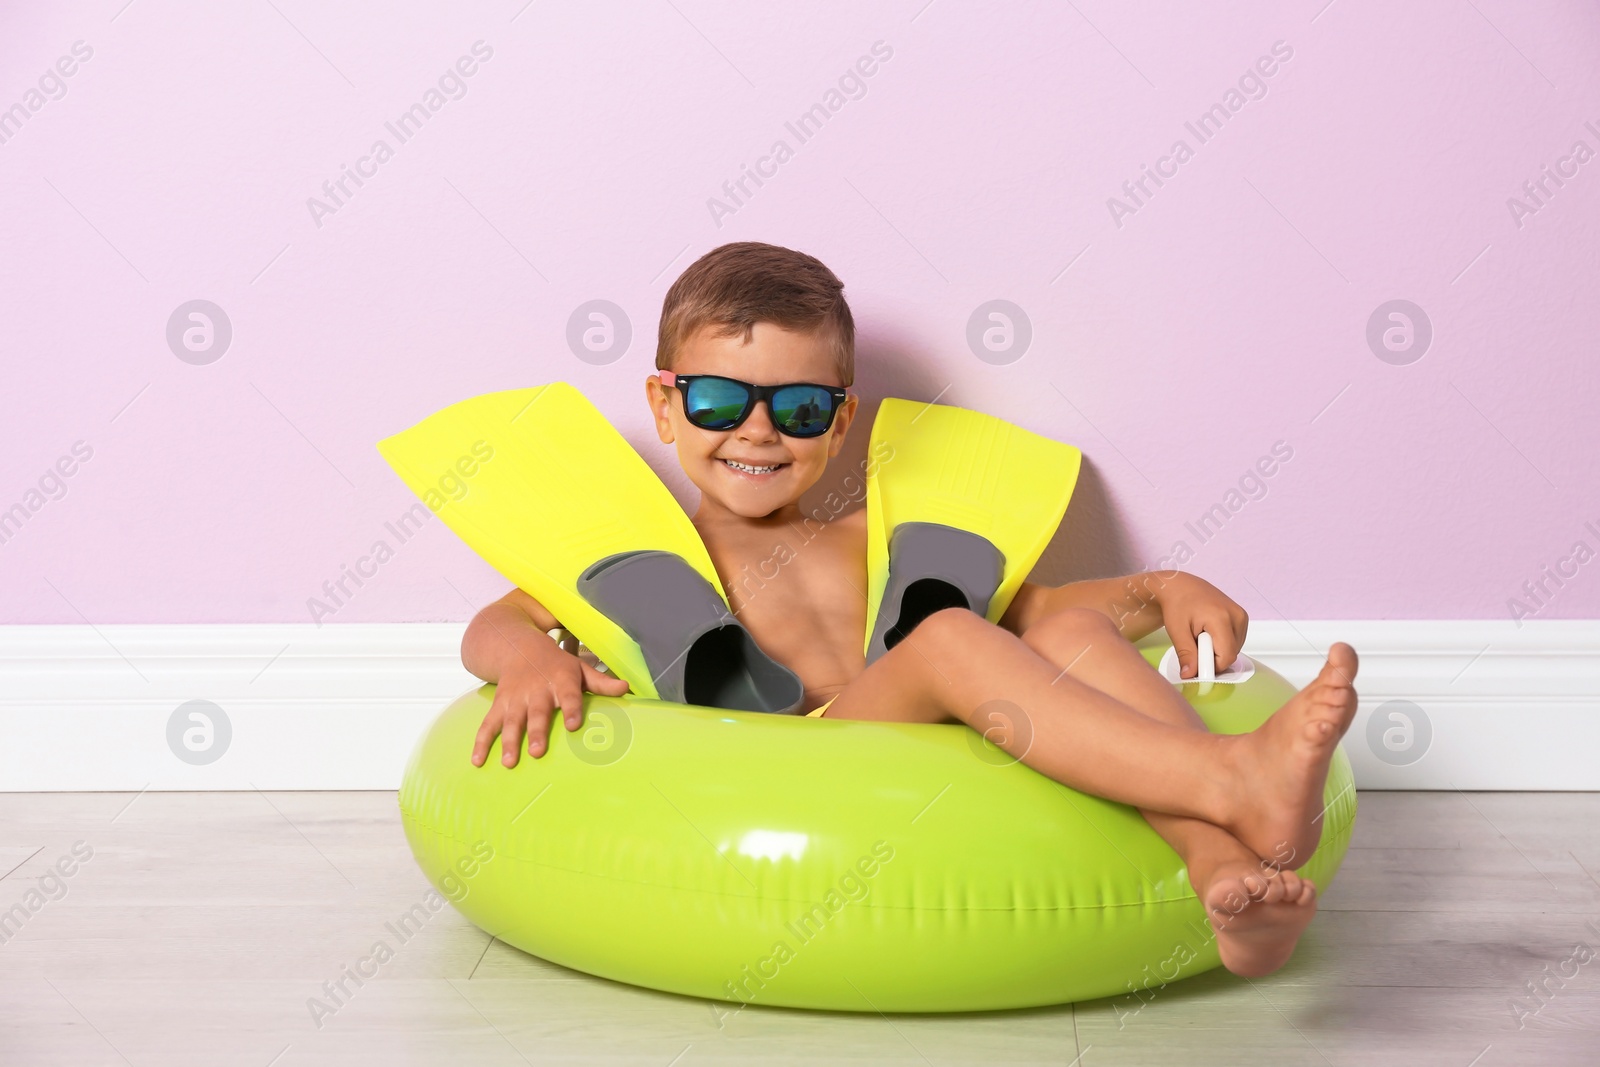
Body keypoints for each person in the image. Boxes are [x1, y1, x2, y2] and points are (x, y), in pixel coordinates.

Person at [460, 240, 1359, 977]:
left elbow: (1047, 611)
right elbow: (494, 626)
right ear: (664, 405)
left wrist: (1160, 589)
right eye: (721, 400)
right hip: (795, 754)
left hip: (912, 735)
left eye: (802, 408)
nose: (758, 432)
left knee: (1056, 629)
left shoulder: (866, 540)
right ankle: (1231, 779)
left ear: (841, 421)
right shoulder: (660, 557)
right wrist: (530, 658)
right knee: (949, 637)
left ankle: (1223, 868)